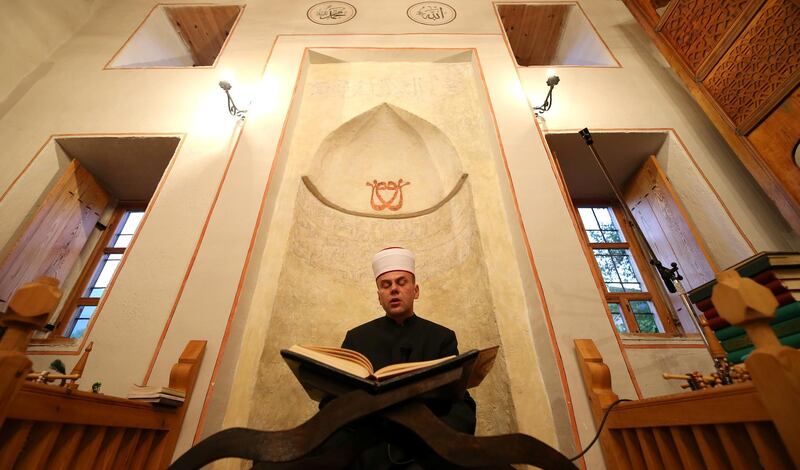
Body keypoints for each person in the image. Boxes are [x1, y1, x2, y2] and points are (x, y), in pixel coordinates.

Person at [338, 247, 476, 468]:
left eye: (401, 282)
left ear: (416, 291)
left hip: (426, 447)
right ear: (379, 296)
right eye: (386, 285)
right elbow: (338, 400)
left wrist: (435, 435)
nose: (394, 289)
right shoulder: (357, 339)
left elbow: (457, 399)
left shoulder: (441, 338)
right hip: (371, 449)